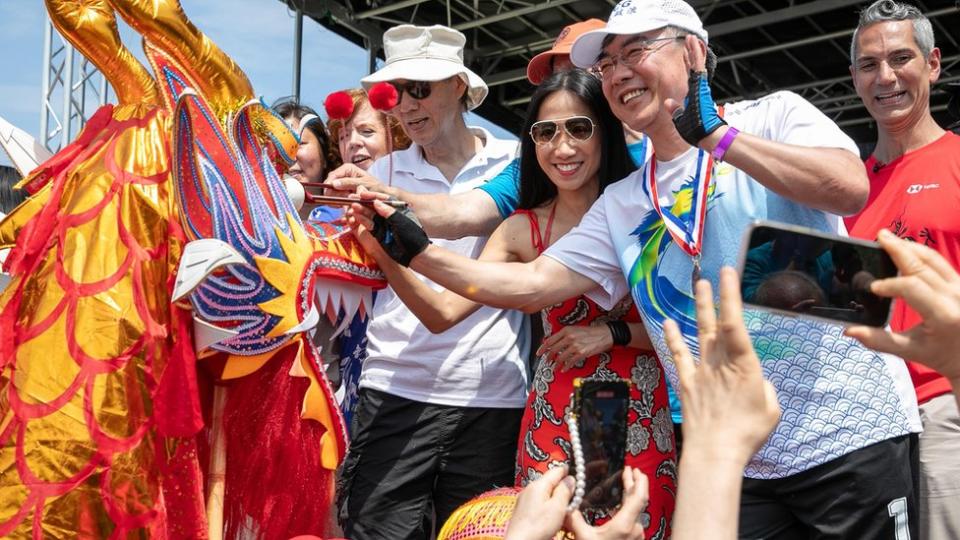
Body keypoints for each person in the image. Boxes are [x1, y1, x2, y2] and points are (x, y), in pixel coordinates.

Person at [354, 0, 924, 537]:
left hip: (847, 434)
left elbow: (847, 189)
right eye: (608, 62)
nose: (619, 73)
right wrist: (414, 251)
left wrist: (718, 138)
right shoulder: (626, 199)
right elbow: (530, 285)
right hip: (738, 461)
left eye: (636, 53)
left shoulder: (772, 115)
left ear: (694, 53)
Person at [354, 69, 676, 536]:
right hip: (555, 415)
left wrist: (612, 332)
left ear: (605, 134)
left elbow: (687, 329)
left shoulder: (646, 214)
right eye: (545, 133)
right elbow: (443, 313)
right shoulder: (522, 229)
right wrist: (386, 251)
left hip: (632, 410)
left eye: (578, 129)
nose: (561, 148)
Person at [335, 24, 529, 540]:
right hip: (393, 390)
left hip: (492, 399)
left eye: (420, 88)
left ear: (459, 86)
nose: (406, 106)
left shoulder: (518, 164)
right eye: (396, 92)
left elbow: (459, 216)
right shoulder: (382, 169)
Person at [503, 268, 781, 540]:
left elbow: (691, 326)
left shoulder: (659, 235)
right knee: (553, 519)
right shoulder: (531, 227)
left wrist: (616, 332)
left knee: (631, 518)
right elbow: (489, 290)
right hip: (558, 402)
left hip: (634, 401)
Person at [325, 19, 649, 240]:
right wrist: (381, 196)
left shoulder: (665, 154)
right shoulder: (531, 166)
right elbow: (468, 214)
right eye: (555, 80)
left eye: (580, 77)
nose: (567, 92)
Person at [846, 2, 960, 536]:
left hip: (943, 405)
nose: (885, 77)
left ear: (933, 64)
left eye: (900, 58)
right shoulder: (845, 189)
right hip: (868, 424)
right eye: (869, 64)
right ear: (854, 78)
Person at [272, 99, 342, 221]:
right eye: (278, 147)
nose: (289, 157)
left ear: (325, 154)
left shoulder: (350, 218)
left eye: (298, 144)